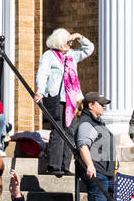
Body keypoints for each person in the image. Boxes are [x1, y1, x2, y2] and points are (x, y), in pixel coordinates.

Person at [34, 29, 93, 175]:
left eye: (71, 41)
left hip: (71, 100)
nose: (70, 44)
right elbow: (42, 74)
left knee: (70, 131)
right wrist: (40, 91)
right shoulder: (49, 56)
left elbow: (89, 49)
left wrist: (80, 37)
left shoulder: (72, 55)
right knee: (58, 130)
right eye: (68, 41)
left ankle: (65, 166)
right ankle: (54, 165)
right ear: (59, 42)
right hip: (56, 99)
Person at [74, 92, 116, 201]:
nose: (104, 106)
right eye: (101, 103)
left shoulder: (99, 122)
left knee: (124, 193)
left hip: (107, 171)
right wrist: (90, 165)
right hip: (97, 170)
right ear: (91, 105)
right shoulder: (87, 123)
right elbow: (83, 145)